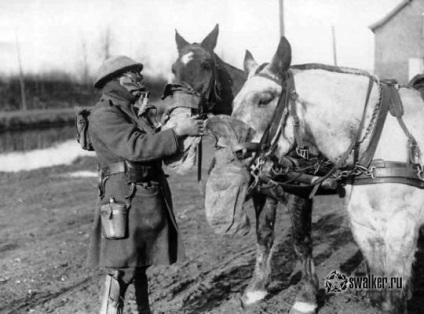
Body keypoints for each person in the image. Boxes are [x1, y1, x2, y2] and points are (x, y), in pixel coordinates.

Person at [87, 55, 204, 314]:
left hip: (142, 196)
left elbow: (152, 145)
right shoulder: (104, 114)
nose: (139, 79)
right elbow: (136, 148)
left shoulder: (131, 111)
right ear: (116, 81)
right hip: (124, 200)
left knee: (139, 264)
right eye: (133, 75)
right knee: (120, 268)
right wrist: (178, 132)